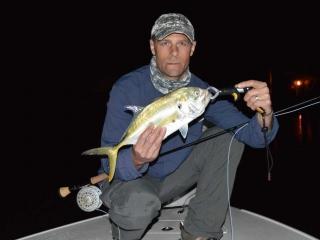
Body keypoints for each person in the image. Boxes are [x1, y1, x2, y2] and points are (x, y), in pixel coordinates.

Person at [98, 13, 279, 240]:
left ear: (192, 48)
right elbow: (108, 163)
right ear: (153, 47)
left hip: (174, 179)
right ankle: (123, 228)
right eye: (165, 43)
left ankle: (199, 232)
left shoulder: (199, 93)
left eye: (181, 43)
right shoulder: (126, 88)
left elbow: (252, 135)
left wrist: (265, 113)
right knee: (139, 205)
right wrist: (136, 158)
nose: (174, 52)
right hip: (130, 182)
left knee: (227, 136)